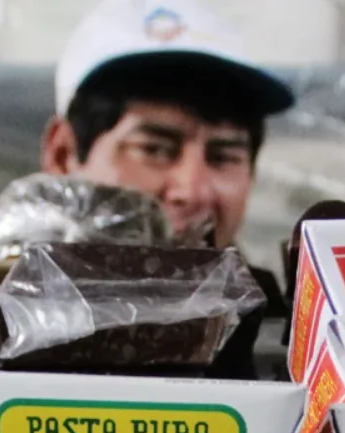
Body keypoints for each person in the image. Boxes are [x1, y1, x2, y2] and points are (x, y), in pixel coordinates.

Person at [41, 0, 294, 251]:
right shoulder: (19, 276)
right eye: (154, 149)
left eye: (222, 157)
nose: (192, 192)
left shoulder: (296, 278)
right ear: (62, 154)